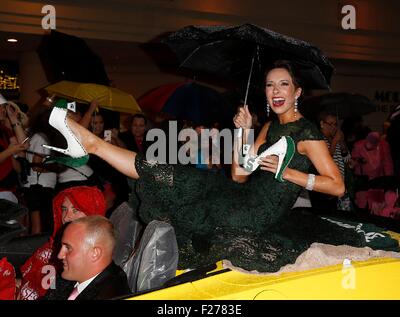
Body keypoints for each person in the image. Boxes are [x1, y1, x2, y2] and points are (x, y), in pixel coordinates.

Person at [46, 60, 390, 274]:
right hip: (242, 196)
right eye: (270, 84)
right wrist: (242, 133)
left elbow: (338, 186)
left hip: (258, 213)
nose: (275, 90)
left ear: (297, 91)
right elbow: (240, 173)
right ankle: (91, 145)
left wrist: (290, 174)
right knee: (179, 174)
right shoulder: (269, 127)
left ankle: (90, 144)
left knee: (184, 183)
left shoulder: (307, 132)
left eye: (283, 84)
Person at [16, 185, 106, 300]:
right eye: (64, 209)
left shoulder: (89, 258)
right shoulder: (53, 244)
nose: (66, 217)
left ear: (92, 215)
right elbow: (35, 282)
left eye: (76, 210)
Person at [43, 216, 131, 300]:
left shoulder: (112, 294)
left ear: (95, 253)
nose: (60, 255)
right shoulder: (71, 275)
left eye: (68, 248)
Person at [312, 111, 353, 211]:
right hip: (326, 191)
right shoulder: (318, 140)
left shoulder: (335, 139)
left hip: (340, 187)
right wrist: (334, 142)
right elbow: (323, 162)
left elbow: (348, 161)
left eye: (335, 124)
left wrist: (342, 143)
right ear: (322, 124)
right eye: (330, 124)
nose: (334, 127)